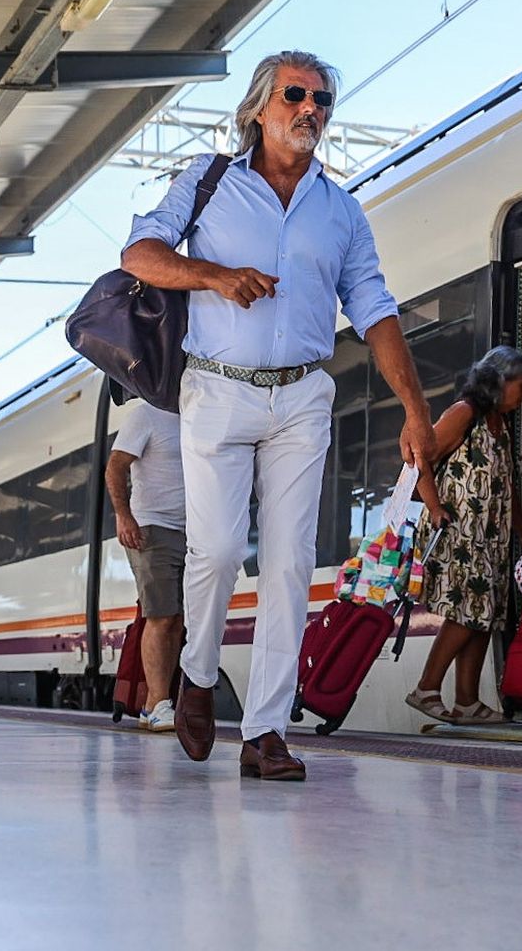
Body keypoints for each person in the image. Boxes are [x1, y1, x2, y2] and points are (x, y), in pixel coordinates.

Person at [121, 50, 437, 782]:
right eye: (296, 95)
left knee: (292, 565)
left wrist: (416, 412)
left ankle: (265, 731)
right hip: (218, 390)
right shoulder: (210, 183)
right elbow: (140, 253)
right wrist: (213, 276)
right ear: (260, 108)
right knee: (221, 551)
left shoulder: (340, 211)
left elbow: (376, 309)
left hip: (301, 396)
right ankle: (198, 675)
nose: (311, 110)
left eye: (322, 99)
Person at [405, 347, 522, 725]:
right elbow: (419, 458)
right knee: (470, 612)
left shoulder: (499, 424)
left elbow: (506, 485)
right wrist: (433, 507)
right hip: (459, 533)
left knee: (486, 614)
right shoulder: (464, 414)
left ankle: (467, 701)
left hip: (490, 537)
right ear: (498, 382)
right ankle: (427, 687)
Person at [105, 402, 186, 732]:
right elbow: (115, 466)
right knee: (160, 615)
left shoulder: (201, 413)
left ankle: (155, 703)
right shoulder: (146, 415)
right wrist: (124, 516)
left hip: (191, 532)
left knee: (177, 620)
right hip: (151, 527)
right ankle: (157, 702)